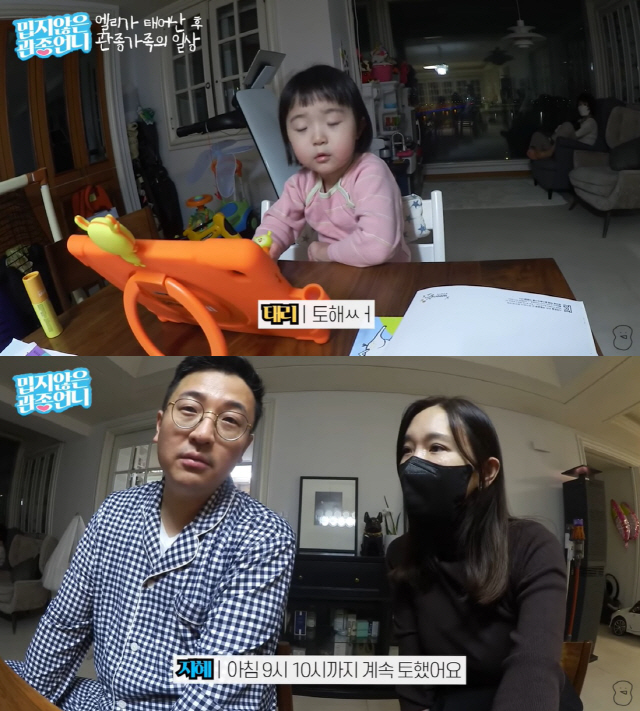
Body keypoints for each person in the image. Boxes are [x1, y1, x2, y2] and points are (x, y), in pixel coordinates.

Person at [6, 356, 296, 711]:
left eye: (230, 421)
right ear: (159, 426)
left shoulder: (264, 536)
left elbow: (219, 683)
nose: (203, 434)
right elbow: (65, 624)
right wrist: (25, 702)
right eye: (189, 410)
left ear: (244, 447)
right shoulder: (114, 512)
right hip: (106, 699)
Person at [386, 396, 583, 711]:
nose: (413, 462)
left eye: (436, 447)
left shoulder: (532, 546)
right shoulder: (400, 554)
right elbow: (413, 668)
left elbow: (533, 669)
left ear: (487, 472)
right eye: (407, 450)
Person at [253, 64, 410, 267]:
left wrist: (325, 252)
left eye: (333, 122)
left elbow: (376, 246)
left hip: (385, 276)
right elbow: (280, 222)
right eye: (301, 128)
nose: (318, 138)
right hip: (335, 276)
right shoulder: (300, 184)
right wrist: (266, 246)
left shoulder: (370, 173)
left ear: (359, 128)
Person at [527, 92, 598, 160]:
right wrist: (561, 129)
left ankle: (548, 152)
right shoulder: (580, 121)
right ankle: (534, 153)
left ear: (590, 106)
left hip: (578, 148)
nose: (581, 107)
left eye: (584, 104)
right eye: (580, 104)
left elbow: (575, 135)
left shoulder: (591, 122)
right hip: (560, 146)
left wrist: (563, 129)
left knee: (568, 126)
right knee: (537, 135)